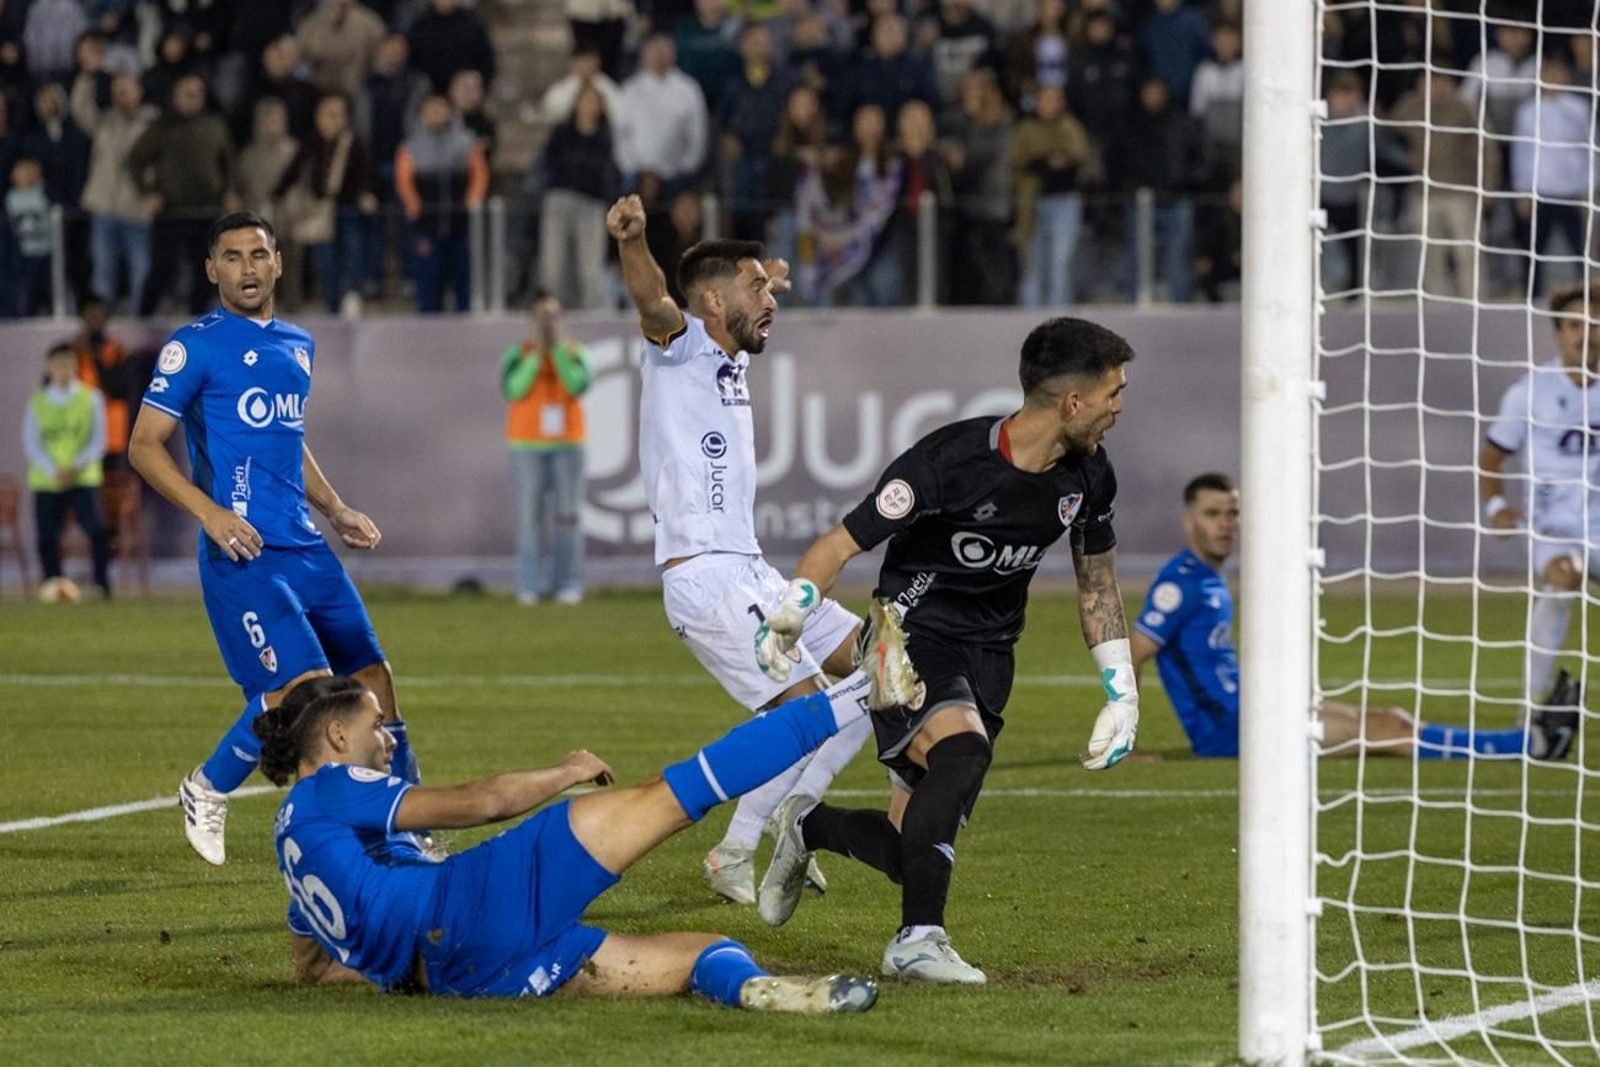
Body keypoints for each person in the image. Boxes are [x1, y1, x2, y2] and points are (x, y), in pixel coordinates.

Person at [754, 317, 1142, 983]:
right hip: (902, 640)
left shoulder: (1088, 478)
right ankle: (917, 940)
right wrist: (791, 612)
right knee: (963, 750)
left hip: (989, 658)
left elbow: (1097, 584)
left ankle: (809, 827)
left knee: (916, 854)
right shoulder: (948, 462)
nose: (1120, 406)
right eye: (1113, 392)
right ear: (1073, 402)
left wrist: (1122, 691)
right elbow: (841, 544)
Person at [256, 673, 879, 1010]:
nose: (388, 740)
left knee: (705, 952)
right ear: (336, 737)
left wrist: (399, 968)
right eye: (376, 728)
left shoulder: (295, 844)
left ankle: (754, 991)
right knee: (675, 794)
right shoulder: (333, 786)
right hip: (471, 901)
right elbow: (481, 803)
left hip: (462, 974)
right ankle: (860, 691)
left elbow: (313, 968)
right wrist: (566, 773)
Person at [607, 193, 896, 906]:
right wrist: (633, 242)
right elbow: (653, 300)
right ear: (710, 299)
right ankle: (736, 848)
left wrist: (760, 274)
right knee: (805, 712)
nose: (770, 302)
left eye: (769, 290)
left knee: (884, 672)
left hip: (753, 569)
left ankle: (787, 821)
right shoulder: (681, 345)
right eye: (754, 290)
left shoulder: (729, 357)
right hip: (704, 576)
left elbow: (739, 288)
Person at [128, 212, 417, 867]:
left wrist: (335, 506)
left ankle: (403, 820)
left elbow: (289, 441)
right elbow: (143, 447)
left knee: (374, 677)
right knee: (306, 688)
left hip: (307, 546)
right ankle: (207, 785)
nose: (247, 268)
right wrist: (210, 513)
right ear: (212, 270)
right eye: (231, 257)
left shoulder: (297, 343)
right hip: (243, 553)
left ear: (279, 262)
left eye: (258, 254)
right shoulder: (193, 346)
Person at [1132, 473, 1579, 761]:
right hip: (1230, 735)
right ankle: (1532, 744)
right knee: (1386, 732)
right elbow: (1132, 654)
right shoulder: (1180, 585)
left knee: (1391, 717)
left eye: (1232, 513)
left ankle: (1530, 740)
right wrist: (1123, 746)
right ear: (1189, 521)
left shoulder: (1207, 579)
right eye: (1213, 514)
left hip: (1254, 714)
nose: (1226, 524)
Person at [1482, 281, 1600, 720]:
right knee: (1563, 579)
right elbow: (1494, 453)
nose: (1585, 334)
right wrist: (1496, 507)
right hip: (1557, 530)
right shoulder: (1530, 392)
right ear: (1558, 334)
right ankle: (1527, 708)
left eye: (1594, 324)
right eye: (1574, 325)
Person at [502, 291, 590, 605]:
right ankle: (530, 584)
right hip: (526, 444)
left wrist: (557, 355)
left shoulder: (574, 352)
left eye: (553, 316)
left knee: (568, 516)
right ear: (531, 321)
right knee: (530, 518)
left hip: (568, 443)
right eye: (542, 316)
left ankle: (568, 583)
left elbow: (576, 385)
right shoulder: (517, 354)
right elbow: (514, 388)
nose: (547, 322)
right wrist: (538, 355)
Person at [22, 343, 112, 598]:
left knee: (96, 530)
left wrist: (75, 467)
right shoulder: (37, 402)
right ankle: (53, 585)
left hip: (83, 478)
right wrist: (54, 470)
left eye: (69, 364)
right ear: (48, 367)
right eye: (59, 364)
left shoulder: (91, 398)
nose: (64, 369)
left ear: (76, 367)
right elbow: (32, 443)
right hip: (48, 481)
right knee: (47, 537)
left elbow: (99, 441)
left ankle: (101, 585)